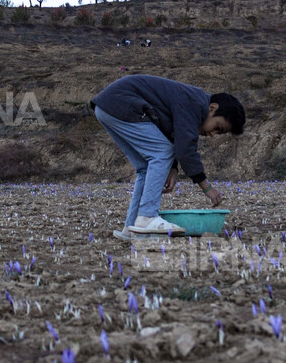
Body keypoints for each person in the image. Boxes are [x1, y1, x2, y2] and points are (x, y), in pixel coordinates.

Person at [90, 74, 246, 239]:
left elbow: (173, 138)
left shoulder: (193, 103)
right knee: (161, 152)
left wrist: (172, 168)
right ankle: (147, 216)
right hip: (120, 104)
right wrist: (207, 187)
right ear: (212, 108)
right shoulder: (195, 103)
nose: (213, 134)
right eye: (217, 127)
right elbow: (185, 149)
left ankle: (132, 227)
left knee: (145, 167)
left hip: (107, 106)